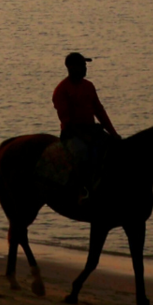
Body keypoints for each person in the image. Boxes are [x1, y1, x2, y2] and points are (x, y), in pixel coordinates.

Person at [52, 51, 119, 198]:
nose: (85, 68)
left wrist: (114, 134)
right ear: (71, 67)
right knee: (83, 154)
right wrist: (84, 137)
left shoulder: (89, 86)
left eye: (85, 65)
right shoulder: (61, 90)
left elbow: (99, 111)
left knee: (115, 150)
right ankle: (83, 189)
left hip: (91, 131)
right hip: (72, 134)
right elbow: (67, 122)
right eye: (82, 65)